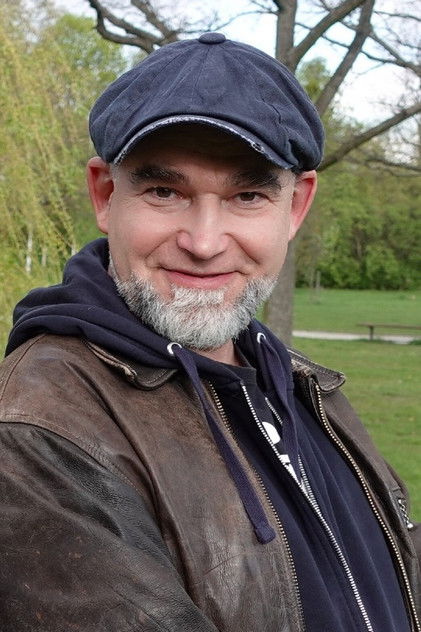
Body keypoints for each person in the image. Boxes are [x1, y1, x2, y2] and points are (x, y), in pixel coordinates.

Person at [0, 32, 419, 632]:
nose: (203, 243)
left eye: (247, 195)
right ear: (105, 195)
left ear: (295, 207)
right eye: (164, 191)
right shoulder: (41, 428)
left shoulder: (297, 384)